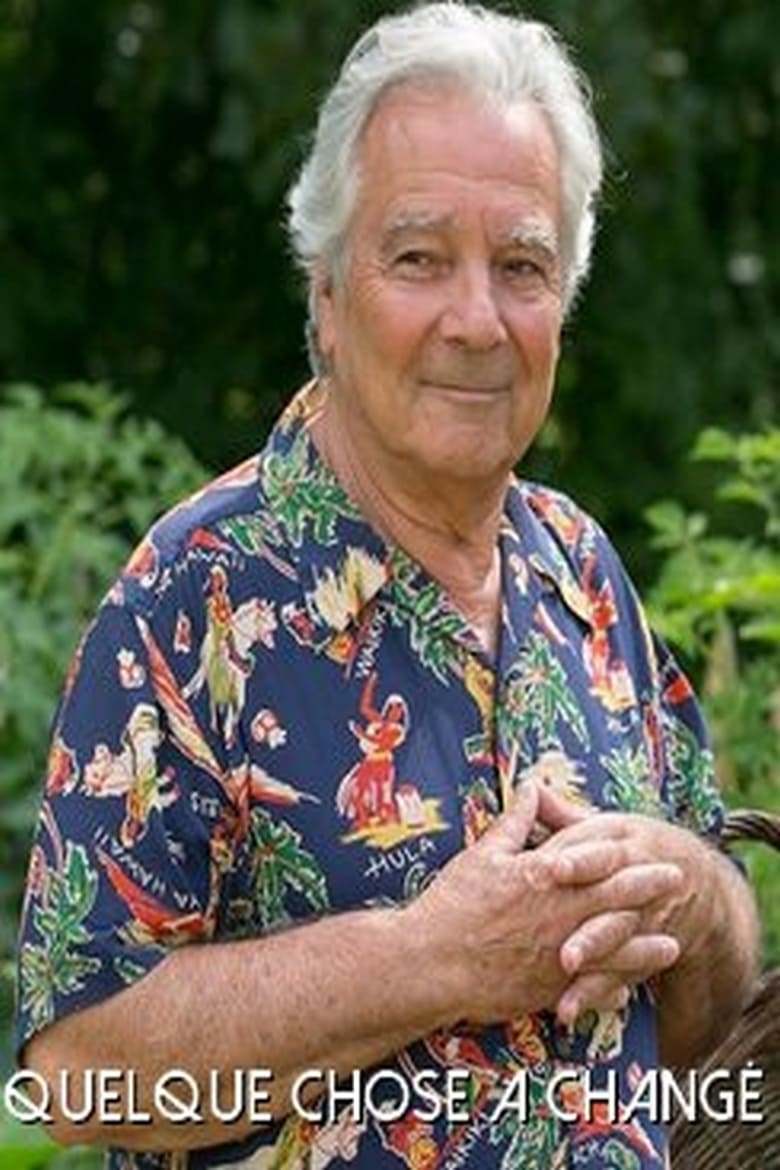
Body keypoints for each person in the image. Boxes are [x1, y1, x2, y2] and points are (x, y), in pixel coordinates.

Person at [16, 4, 760, 1168]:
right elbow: (76, 1078)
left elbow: (709, 1024)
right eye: (418, 259)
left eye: (521, 266)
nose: (477, 320)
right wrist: (434, 957)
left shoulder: (585, 574)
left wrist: (694, 899)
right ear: (326, 293)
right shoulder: (193, 596)